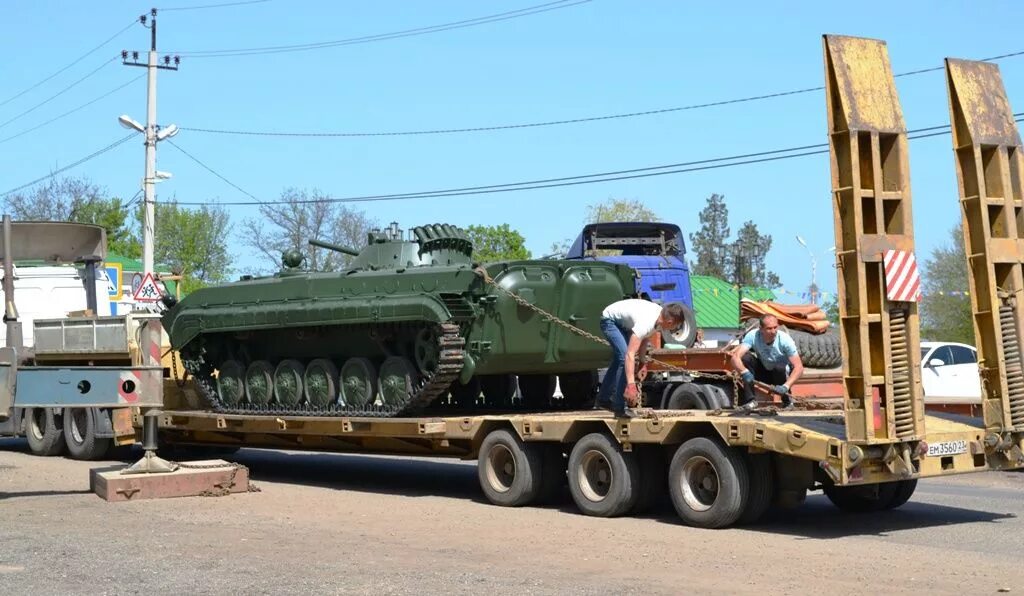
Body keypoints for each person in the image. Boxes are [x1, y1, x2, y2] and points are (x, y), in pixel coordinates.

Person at [596, 299, 687, 417]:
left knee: (620, 360)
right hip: (609, 320)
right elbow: (630, 354)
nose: (674, 329)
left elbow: (644, 338)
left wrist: (642, 363)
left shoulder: (659, 318)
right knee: (624, 358)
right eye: (675, 326)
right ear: (669, 322)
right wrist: (631, 385)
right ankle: (619, 408)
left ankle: (603, 399)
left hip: (622, 322)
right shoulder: (647, 322)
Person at [730, 314, 804, 410]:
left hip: (781, 375)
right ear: (761, 329)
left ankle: (787, 402)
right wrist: (744, 372)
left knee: (780, 367)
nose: (773, 331)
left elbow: (799, 367)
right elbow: (735, 358)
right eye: (769, 328)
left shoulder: (785, 340)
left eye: (775, 327)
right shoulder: (753, 335)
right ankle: (751, 402)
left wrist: (786, 386)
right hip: (763, 371)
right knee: (745, 357)